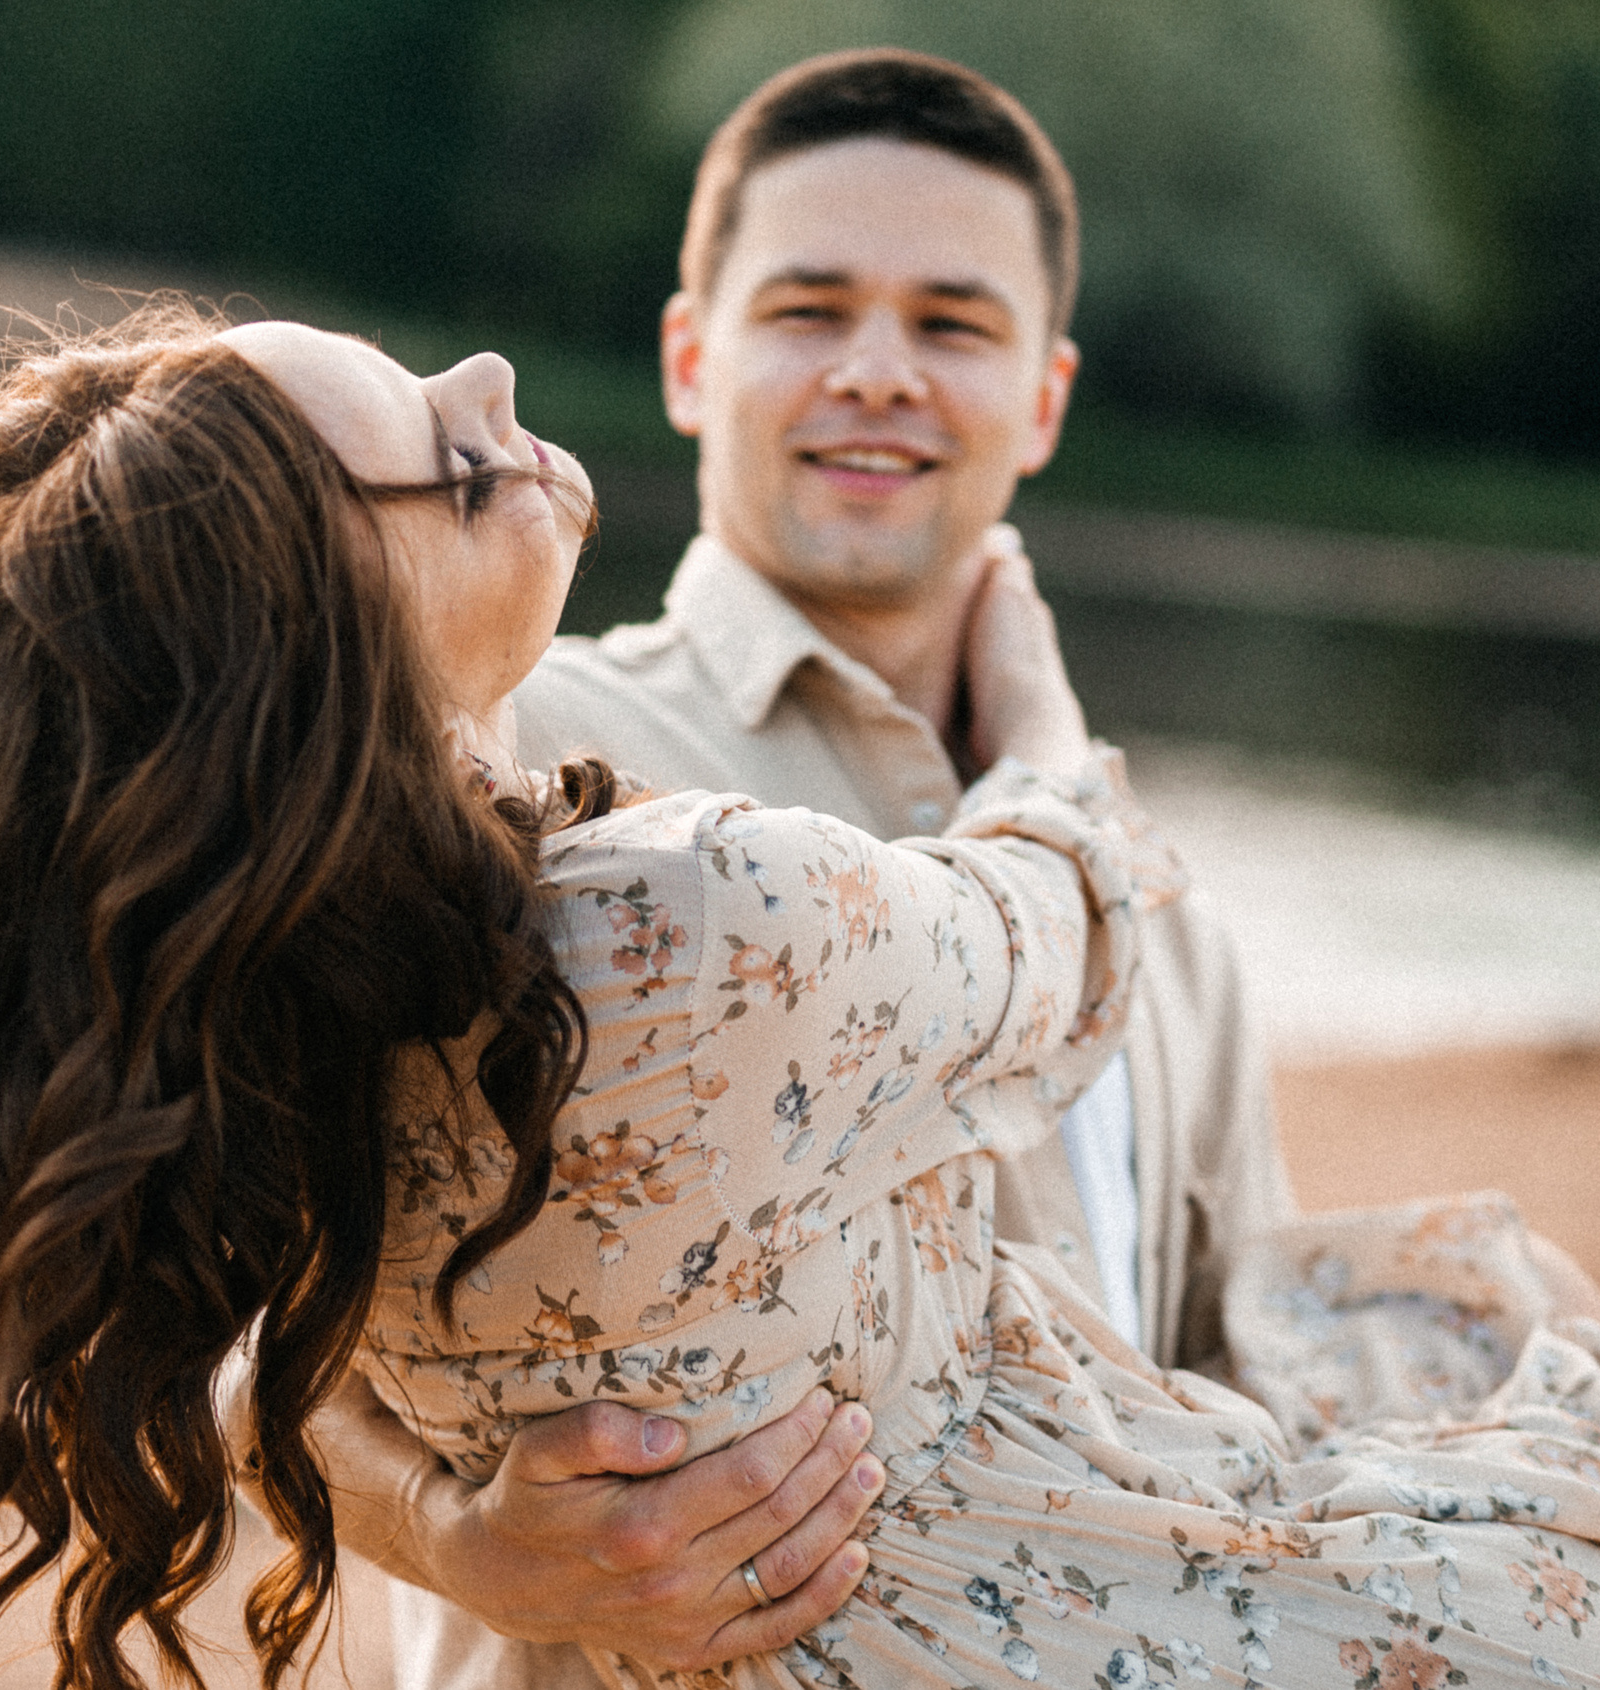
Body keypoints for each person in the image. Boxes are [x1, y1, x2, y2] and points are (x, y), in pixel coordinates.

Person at [0, 305, 1600, 1690]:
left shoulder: (242, 1010)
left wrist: (451, 1516)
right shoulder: (681, 915)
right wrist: (1041, 708)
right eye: (442, 447)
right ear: (326, 649)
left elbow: (196, 1346)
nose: (485, 375)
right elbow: (1061, 936)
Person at [298, 50, 1297, 1681]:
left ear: (1044, 394)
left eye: (954, 324)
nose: (879, 372)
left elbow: (1233, 1383)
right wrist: (449, 1534)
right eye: (811, 308)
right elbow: (197, 1292)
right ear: (693, 358)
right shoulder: (502, 752)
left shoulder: (1160, 913)